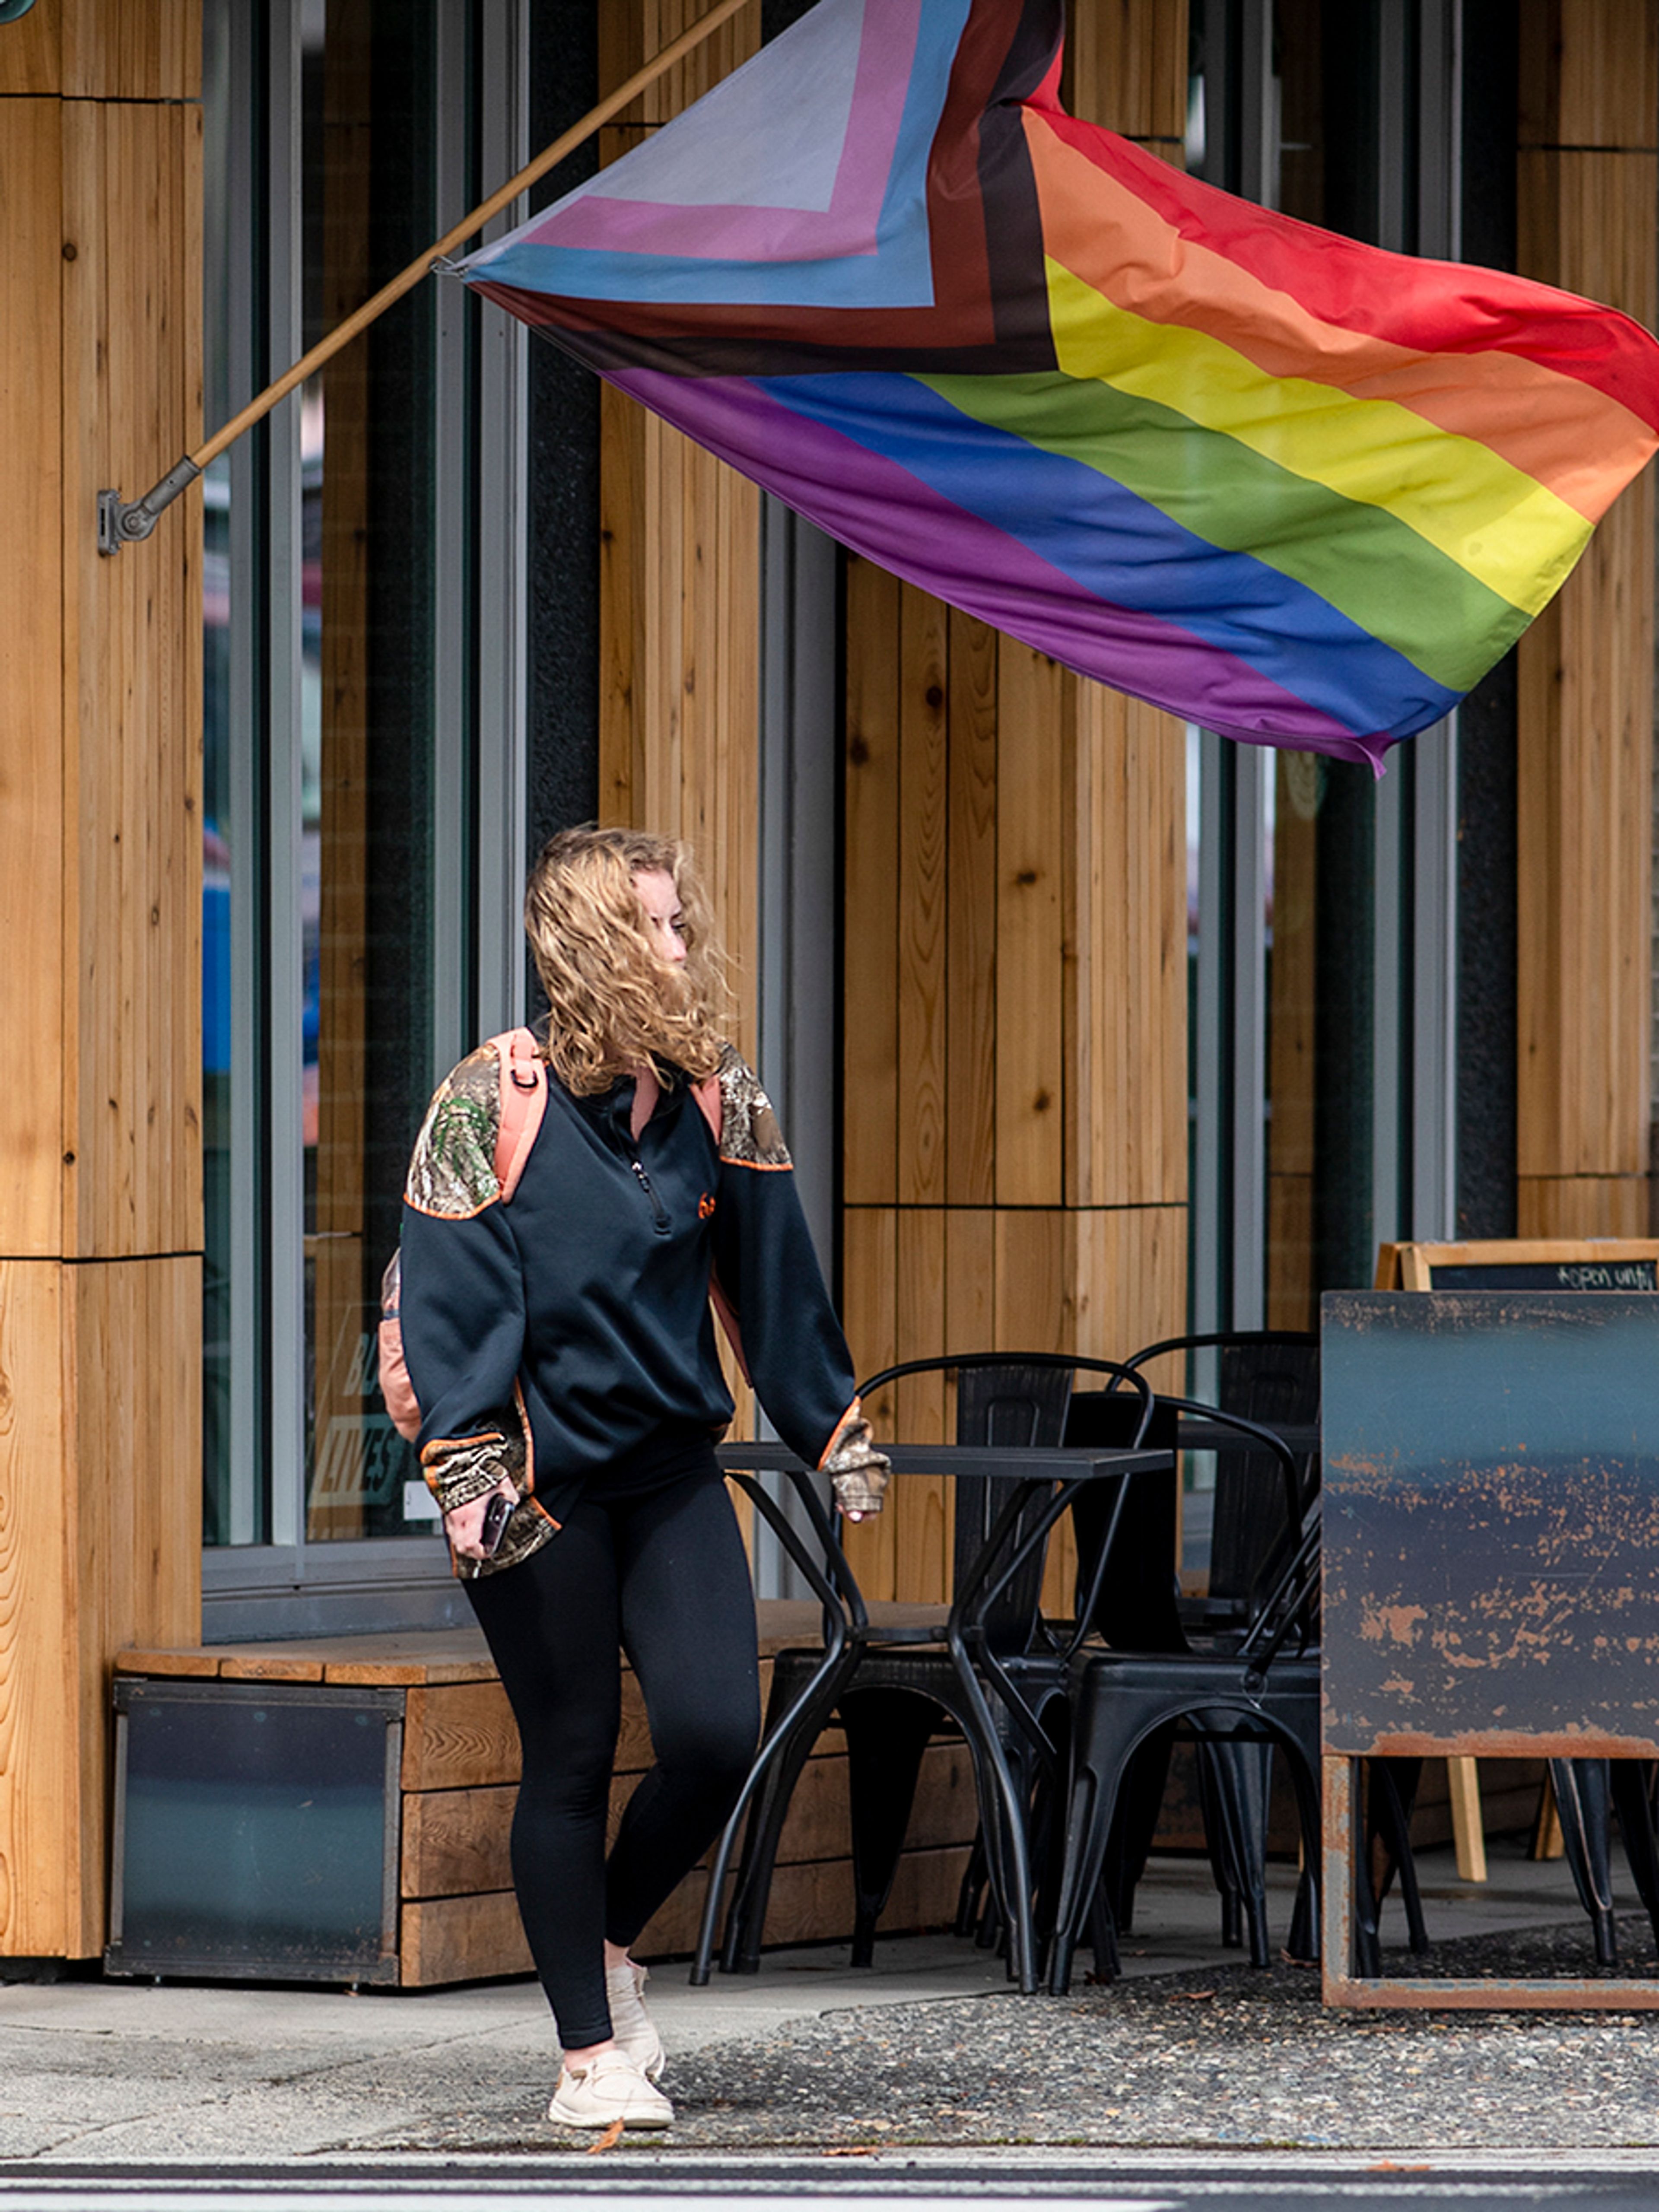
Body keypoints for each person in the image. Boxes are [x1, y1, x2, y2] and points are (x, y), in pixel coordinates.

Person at [397, 826, 889, 2133]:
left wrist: (829, 1428)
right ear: (591, 943)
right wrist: (472, 1477)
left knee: (716, 1735)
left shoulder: (720, 1096)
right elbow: (448, 1313)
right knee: (566, 1753)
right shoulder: (485, 1105)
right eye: (659, 927)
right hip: (534, 1485)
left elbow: (775, 1282)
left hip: (672, 1470)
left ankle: (609, 1947)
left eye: (680, 922)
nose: (683, 947)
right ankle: (584, 2060)